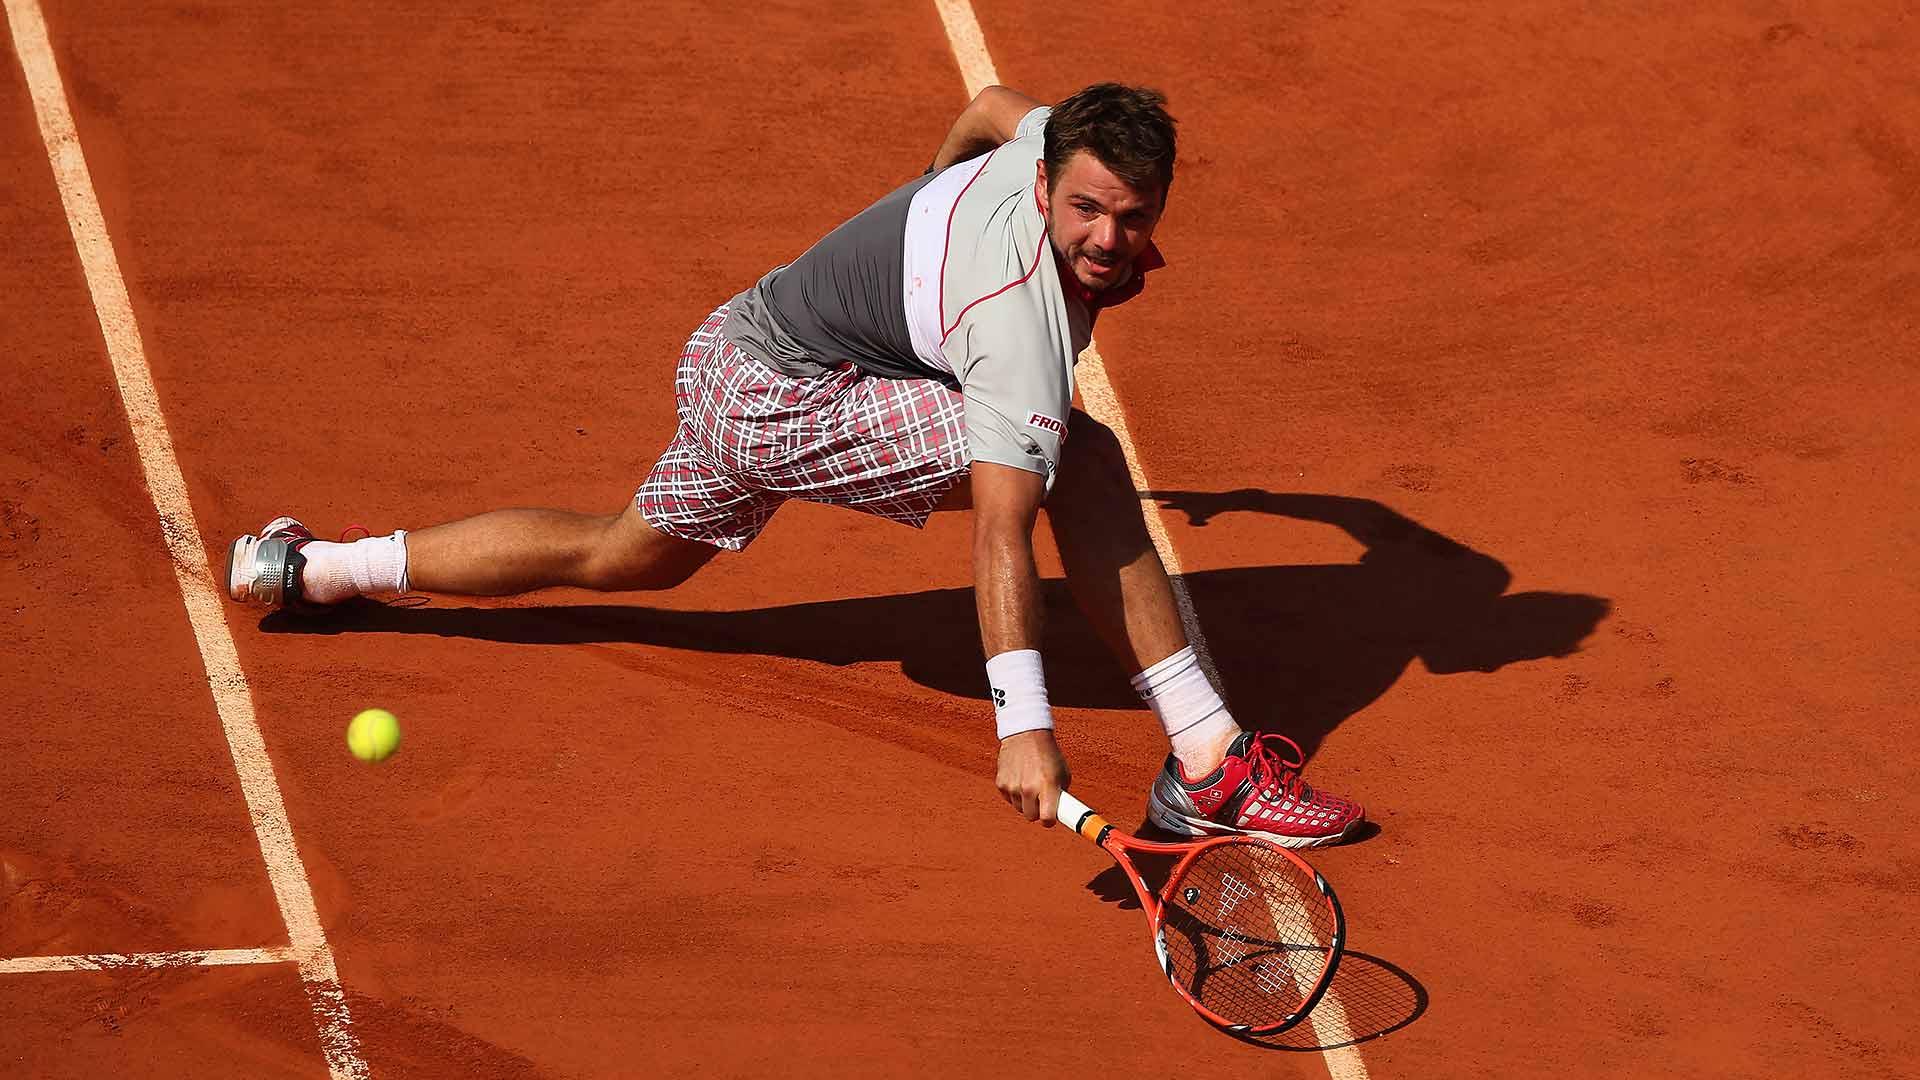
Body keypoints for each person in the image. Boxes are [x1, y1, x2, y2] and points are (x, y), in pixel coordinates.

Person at [225, 83, 1364, 847]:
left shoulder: (1045, 136)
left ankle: (313, 569)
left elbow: (983, 105)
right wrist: (1022, 724)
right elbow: (1002, 528)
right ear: (1046, 183)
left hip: (737, 347)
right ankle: (1210, 767)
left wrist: (920, 219)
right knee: (1084, 458)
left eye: (1134, 214)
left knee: (623, 556)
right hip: (787, 399)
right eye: (1087, 213)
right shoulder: (1014, 320)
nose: (1110, 238)